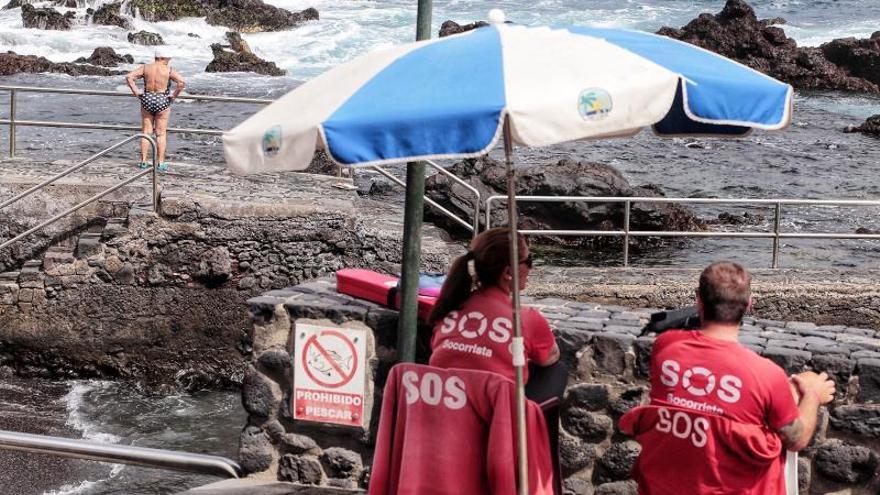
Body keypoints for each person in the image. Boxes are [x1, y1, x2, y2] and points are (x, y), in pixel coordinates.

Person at [621, 261, 835, 494]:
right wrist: (812, 395)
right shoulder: (766, 374)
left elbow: (712, 398)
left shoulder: (666, 348)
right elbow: (796, 439)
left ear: (699, 301)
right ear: (749, 305)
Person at [427, 227, 561, 384]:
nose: (532, 268)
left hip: (441, 401)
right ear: (508, 272)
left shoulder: (449, 307)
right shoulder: (524, 318)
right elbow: (551, 356)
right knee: (557, 370)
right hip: (494, 405)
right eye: (529, 261)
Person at [125, 50, 186, 172]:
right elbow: (181, 82)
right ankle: (161, 163)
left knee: (146, 132)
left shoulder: (146, 67)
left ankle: (143, 162)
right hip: (162, 100)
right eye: (168, 58)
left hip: (147, 98)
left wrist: (136, 91)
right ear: (164, 58)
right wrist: (174, 95)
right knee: (161, 134)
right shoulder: (168, 70)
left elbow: (129, 77)